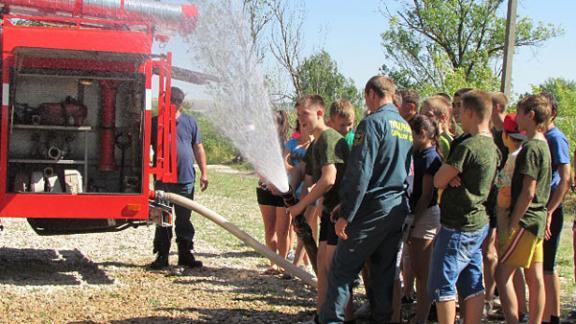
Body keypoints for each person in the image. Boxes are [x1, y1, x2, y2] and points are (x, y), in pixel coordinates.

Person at [320, 76, 413, 323]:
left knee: (341, 270)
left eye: (366, 98)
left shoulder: (371, 124)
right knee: (383, 274)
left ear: (371, 93)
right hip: (395, 209)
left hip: (371, 210)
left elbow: (360, 172)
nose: (366, 104)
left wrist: (346, 214)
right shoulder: (404, 126)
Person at [430, 89, 500, 324]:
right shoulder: (492, 145)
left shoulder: (469, 146)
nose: (458, 113)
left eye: (461, 109)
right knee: (472, 281)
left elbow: (439, 179)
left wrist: (448, 175)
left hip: (458, 224)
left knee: (443, 283)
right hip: (478, 222)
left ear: (470, 112)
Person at [286, 95, 349, 324]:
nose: (301, 120)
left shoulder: (329, 139)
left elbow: (329, 179)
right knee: (322, 263)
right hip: (329, 210)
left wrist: (302, 206)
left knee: (331, 267)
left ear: (320, 114)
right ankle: (321, 315)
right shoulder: (315, 143)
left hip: (340, 213)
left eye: (305, 114)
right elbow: (307, 176)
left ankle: (335, 317)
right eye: (299, 115)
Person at [496, 94, 552, 324]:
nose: (516, 118)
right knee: (534, 276)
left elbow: (528, 192)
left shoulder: (530, 148)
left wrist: (511, 223)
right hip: (537, 219)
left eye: (519, 113)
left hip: (525, 220)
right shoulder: (544, 144)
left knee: (501, 275)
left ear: (530, 115)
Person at [149, 87, 209, 270]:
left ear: (181, 103)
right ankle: (162, 256)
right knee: (163, 219)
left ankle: (185, 255)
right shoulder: (155, 123)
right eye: (171, 100)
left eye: (177, 101)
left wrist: (204, 173)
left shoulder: (190, 122)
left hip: (185, 179)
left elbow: (198, 148)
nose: (174, 104)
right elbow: (142, 148)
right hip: (163, 180)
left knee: (184, 220)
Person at [494, 112, 529, 321]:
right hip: (515, 216)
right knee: (515, 269)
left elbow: (503, 188)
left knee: (504, 272)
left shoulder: (513, 157)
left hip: (507, 215)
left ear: (507, 136)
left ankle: (513, 317)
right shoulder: (523, 153)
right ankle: (522, 310)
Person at [408, 114, 442, 323]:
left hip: (425, 215)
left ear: (422, 134)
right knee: (416, 268)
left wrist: (413, 219)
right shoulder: (418, 154)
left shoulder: (430, 157)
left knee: (423, 274)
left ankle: (421, 317)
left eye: (412, 134)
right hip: (416, 214)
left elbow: (427, 194)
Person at [541, 93, 571, 324]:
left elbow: (565, 178)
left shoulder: (555, 137)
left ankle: (554, 316)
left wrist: (550, 211)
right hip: (542, 210)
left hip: (551, 211)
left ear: (552, 112)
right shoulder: (541, 137)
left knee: (548, 266)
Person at [258, 110, 290, 275]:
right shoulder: (261, 143)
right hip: (265, 188)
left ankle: (284, 263)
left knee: (282, 230)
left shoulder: (287, 143)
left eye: (274, 122)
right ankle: (273, 263)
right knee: (269, 228)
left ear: (281, 124)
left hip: (283, 191)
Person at [420, 95, 453, 160]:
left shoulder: (446, 142)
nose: (423, 118)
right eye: (421, 115)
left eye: (429, 115)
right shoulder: (421, 138)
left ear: (442, 118)